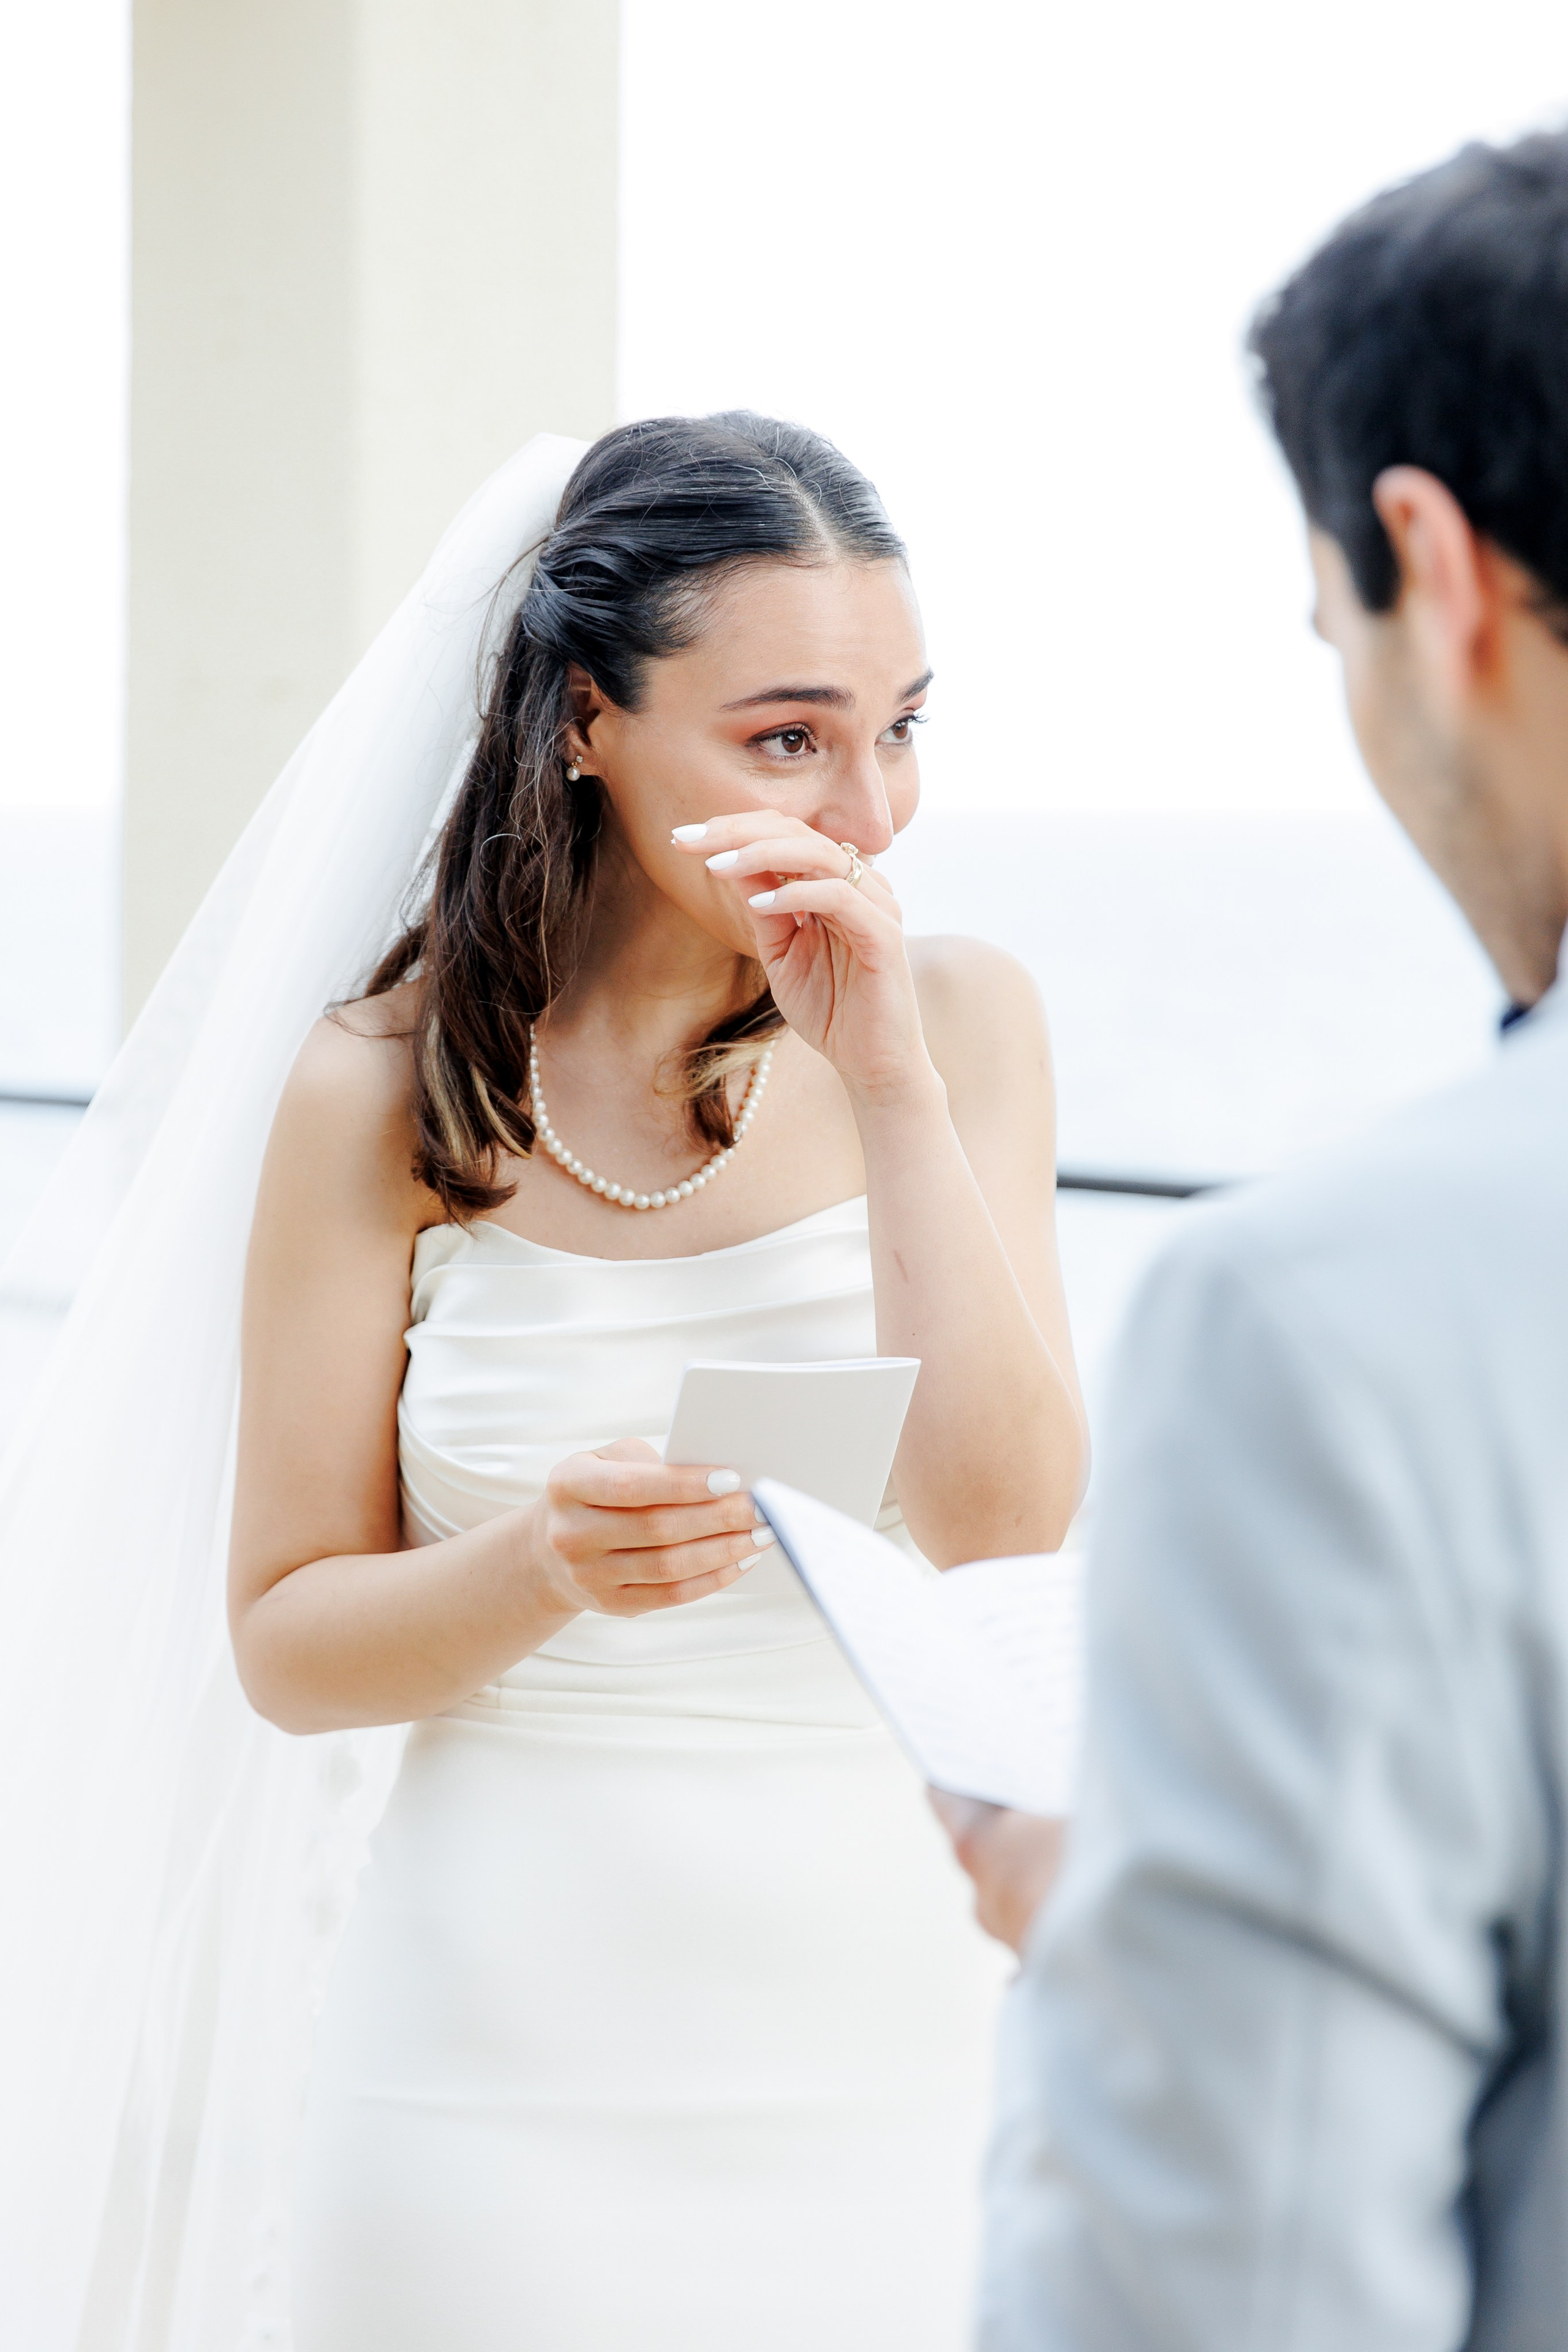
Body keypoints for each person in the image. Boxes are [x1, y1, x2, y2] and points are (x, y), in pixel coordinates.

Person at [221, 414, 1087, 2350]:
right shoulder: (377, 1091)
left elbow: (1008, 1525)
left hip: (890, 2049)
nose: (867, 811)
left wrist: (888, 1087)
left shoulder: (964, 1025)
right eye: (789, 737)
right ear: (586, 723)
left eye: (903, 728)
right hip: (482, 2069)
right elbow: (285, 1643)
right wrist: (535, 1565)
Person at [938, 128, 1568, 2348]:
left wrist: (1135, 1936)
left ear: (1431, 563)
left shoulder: (1334, 1323)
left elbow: (1235, 2284)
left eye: (1330, 631)